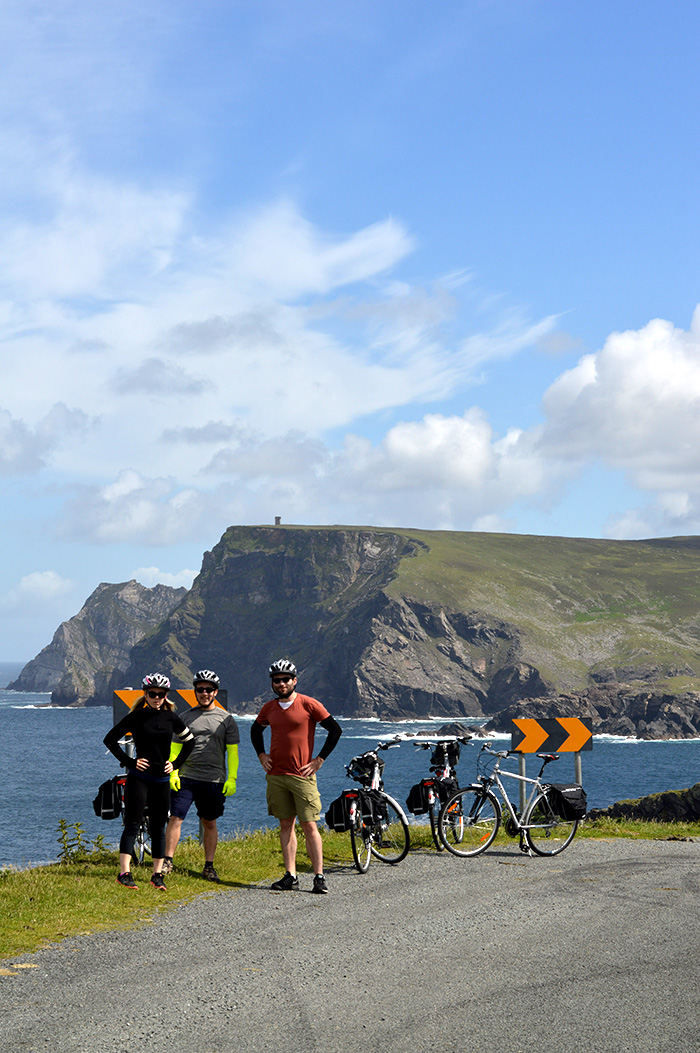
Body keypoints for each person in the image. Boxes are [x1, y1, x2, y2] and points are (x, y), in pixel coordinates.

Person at [250, 659, 342, 894]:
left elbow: (335, 729)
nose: (281, 683)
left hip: (302, 775)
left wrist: (319, 760)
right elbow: (255, 729)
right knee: (285, 825)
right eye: (276, 680)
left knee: (309, 825)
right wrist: (262, 756)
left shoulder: (308, 704)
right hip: (276, 775)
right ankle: (290, 875)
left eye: (285, 679)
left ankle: (319, 877)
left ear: (294, 681)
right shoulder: (269, 708)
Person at [104, 673, 194, 891]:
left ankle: (157, 876)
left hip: (162, 780)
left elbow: (190, 741)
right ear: (145, 694)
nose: (156, 698)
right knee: (133, 824)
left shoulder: (171, 718)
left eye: (161, 694)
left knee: (158, 827)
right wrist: (130, 762)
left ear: (166, 696)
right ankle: (124, 873)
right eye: (152, 694)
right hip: (139, 779)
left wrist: (175, 764)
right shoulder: (136, 717)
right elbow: (110, 739)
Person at [162, 669, 240, 882]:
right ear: (195, 692)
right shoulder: (185, 717)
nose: (204, 693)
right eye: (200, 690)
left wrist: (231, 778)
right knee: (175, 818)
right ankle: (167, 861)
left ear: (215, 692)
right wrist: (173, 773)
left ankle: (209, 866)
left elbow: (232, 752)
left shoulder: (227, 719)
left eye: (208, 690)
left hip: (213, 779)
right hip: (186, 777)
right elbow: (175, 748)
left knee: (209, 822)